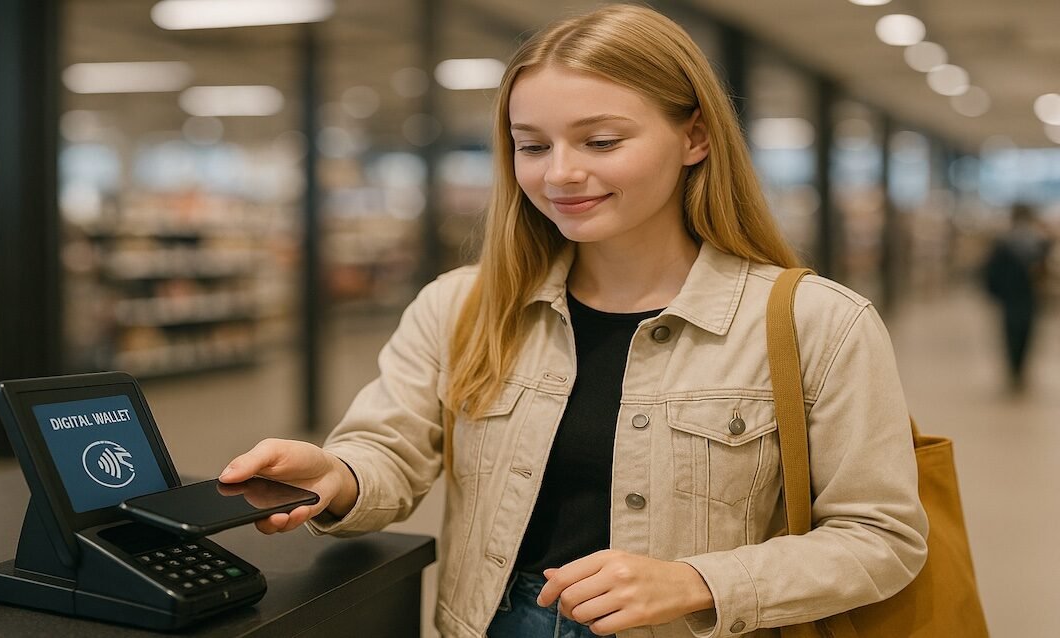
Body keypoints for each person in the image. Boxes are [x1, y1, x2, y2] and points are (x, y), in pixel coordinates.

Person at [220, 5, 928, 637]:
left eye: (600, 141)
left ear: (696, 138)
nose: (559, 174)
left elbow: (881, 536)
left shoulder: (816, 323)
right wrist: (336, 474)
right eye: (533, 145)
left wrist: (698, 581)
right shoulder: (462, 305)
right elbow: (393, 451)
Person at [982, 203, 1052, 393]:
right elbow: (1046, 273)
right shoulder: (1039, 242)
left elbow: (992, 272)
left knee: (1011, 335)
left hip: (1010, 297)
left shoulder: (1003, 242)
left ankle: (1014, 372)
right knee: (1027, 334)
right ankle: (1020, 371)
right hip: (1030, 297)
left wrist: (995, 293)